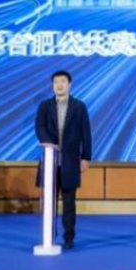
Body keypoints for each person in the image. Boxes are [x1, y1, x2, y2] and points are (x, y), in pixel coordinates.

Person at [35, 70, 92, 250]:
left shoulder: (79, 106)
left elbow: (86, 133)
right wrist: (50, 144)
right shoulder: (45, 106)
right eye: (56, 82)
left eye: (63, 82)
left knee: (69, 203)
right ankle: (49, 236)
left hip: (70, 163)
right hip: (50, 161)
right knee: (49, 202)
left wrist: (85, 157)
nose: (59, 85)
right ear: (52, 85)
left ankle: (69, 237)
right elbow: (39, 127)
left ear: (69, 85)